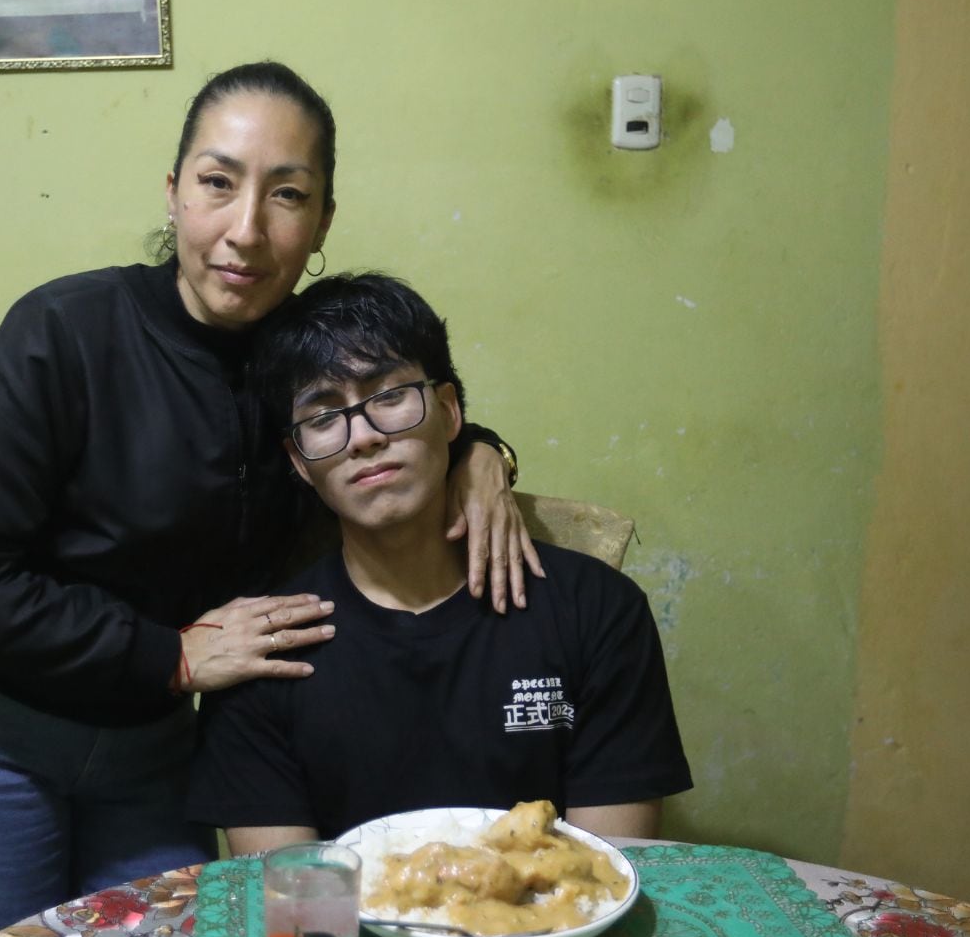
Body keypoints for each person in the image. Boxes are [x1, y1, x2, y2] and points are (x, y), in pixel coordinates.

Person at [0, 62, 539, 937]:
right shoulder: (66, 332)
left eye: (288, 195)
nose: (246, 230)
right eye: (218, 183)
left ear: (322, 223)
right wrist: (176, 656)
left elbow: (403, 406)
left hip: (156, 747)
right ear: (175, 193)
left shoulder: (303, 353)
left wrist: (482, 457)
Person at [186, 273, 692, 855]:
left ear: (449, 411)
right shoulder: (265, 651)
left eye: (388, 397)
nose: (363, 437)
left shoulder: (597, 611)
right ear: (298, 462)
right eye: (323, 417)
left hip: (551, 934)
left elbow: (611, 872)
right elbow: (298, 910)